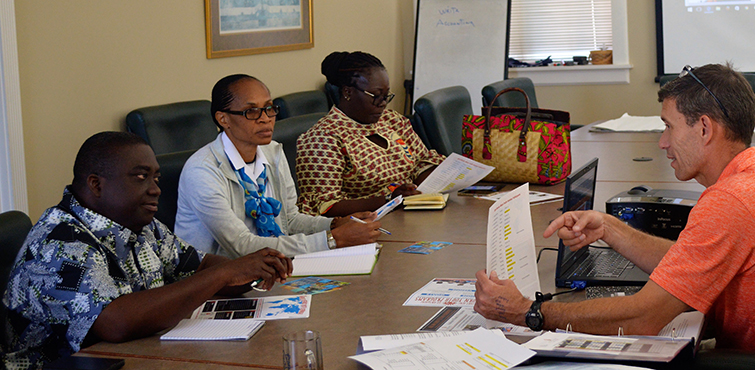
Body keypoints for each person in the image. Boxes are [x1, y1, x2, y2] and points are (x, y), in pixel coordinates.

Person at [473, 63, 755, 353]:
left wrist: (527, 312)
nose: (662, 141)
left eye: (668, 126)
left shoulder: (730, 202)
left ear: (704, 128)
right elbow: (687, 261)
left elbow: (643, 317)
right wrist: (609, 228)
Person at [2, 132, 293, 369]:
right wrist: (225, 273)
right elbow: (116, 322)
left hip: (138, 355)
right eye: (141, 177)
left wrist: (250, 269)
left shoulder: (140, 223)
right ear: (96, 185)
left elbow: (198, 267)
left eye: (156, 178)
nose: (155, 189)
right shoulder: (60, 242)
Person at [175, 74, 382, 258]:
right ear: (223, 119)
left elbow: (289, 220)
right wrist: (332, 239)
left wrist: (336, 223)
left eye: (269, 109)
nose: (265, 119)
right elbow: (240, 246)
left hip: (272, 266)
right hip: (219, 283)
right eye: (251, 111)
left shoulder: (272, 152)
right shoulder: (202, 171)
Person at [295, 51, 446, 217]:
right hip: (365, 226)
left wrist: (443, 178)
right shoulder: (323, 139)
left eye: (386, 96)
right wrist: (390, 199)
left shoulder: (391, 120)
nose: (382, 104)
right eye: (375, 96)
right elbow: (324, 207)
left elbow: (422, 162)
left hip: (412, 213)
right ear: (348, 92)